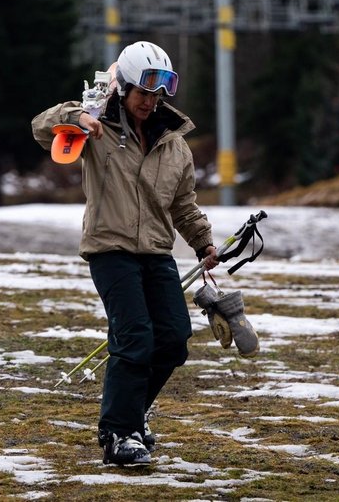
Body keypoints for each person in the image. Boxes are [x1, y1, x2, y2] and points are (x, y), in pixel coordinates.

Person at [31, 41, 219, 465]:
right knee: (135, 338)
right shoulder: (97, 127)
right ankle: (118, 435)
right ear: (124, 89)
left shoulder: (174, 145)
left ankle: (133, 414)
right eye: (142, 94)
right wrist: (78, 117)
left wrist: (204, 242)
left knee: (172, 340)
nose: (149, 103)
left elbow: (183, 205)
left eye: (157, 96)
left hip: (156, 251)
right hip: (109, 249)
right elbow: (41, 127)